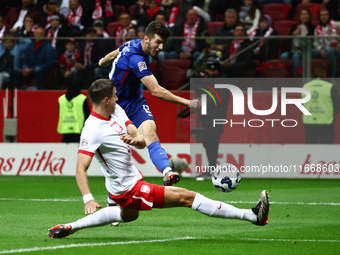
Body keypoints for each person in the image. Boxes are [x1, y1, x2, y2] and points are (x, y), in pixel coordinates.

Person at [47, 78, 270, 239]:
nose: (118, 98)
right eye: (115, 96)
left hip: (125, 184)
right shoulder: (92, 129)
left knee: (128, 216)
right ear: (106, 99)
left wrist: (136, 141)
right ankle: (251, 216)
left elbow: (141, 139)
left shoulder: (116, 112)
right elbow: (80, 169)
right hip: (128, 188)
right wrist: (87, 198)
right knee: (188, 197)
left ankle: (70, 227)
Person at [98, 21, 200, 186]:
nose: (161, 47)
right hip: (115, 106)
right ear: (146, 38)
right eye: (158, 42)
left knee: (150, 134)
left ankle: (168, 172)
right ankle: (113, 196)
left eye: (163, 44)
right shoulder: (136, 59)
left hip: (135, 101)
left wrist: (102, 62)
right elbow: (156, 91)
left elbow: (111, 56)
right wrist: (187, 102)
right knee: (119, 152)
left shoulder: (132, 43)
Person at [302, 64, 340, 144]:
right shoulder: (330, 87)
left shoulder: (305, 87)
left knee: (310, 149)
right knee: (326, 150)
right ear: (324, 74)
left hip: (309, 124)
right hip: (326, 123)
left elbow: (302, 104)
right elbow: (337, 105)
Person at [280, 8, 315, 77]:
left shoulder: (313, 28)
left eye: (306, 14)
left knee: (296, 56)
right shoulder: (294, 27)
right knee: (283, 55)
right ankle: (286, 77)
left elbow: (313, 42)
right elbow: (288, 41)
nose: (304, 16)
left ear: (309, 16)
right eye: (302, 14)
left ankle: (296, 77)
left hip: (306, 51)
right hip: (293, 50)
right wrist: (293, 34)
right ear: (300, 16)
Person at [312, 7, 339, 78]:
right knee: (309, 52)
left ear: (329, 16)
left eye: (326, 15)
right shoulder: (317, 29)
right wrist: (321, 49)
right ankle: (308, 79)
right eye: (322, 15)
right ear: (319, 17)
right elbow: (315, 43)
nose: (324, 17)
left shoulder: (337, 25)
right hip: (322, 51)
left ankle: (333, 78)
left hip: (335, 50)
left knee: (330, 51)